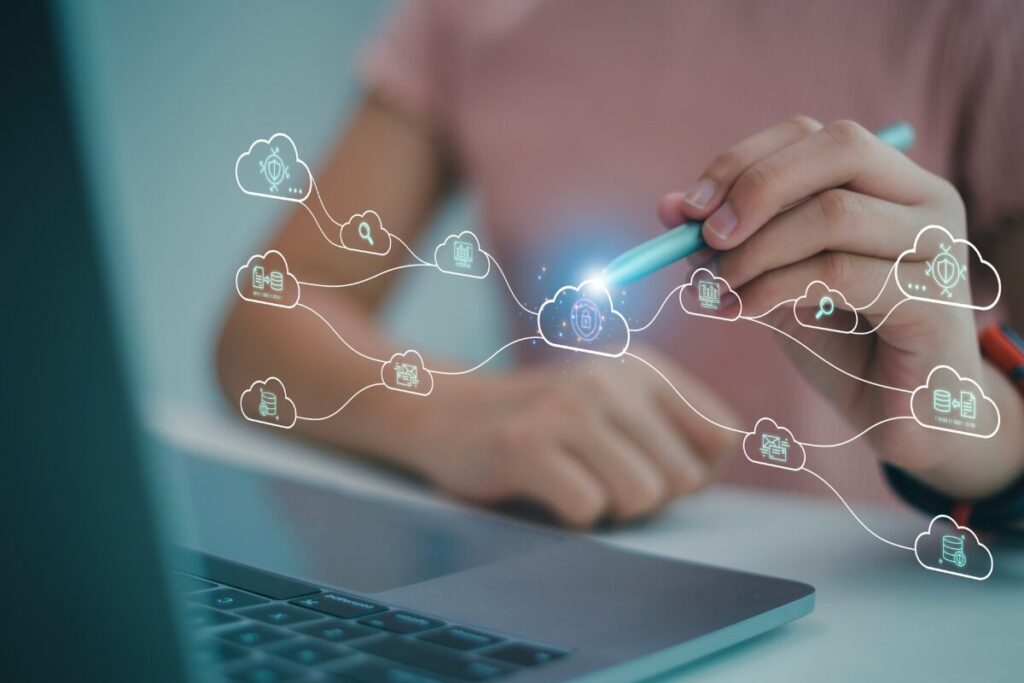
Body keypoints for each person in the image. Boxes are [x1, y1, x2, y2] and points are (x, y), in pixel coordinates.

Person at [217, 1, 1024, 528]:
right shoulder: (474, 16)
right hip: (575, 575)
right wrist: (462, 414)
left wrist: (959, 430)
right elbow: (267, 314)